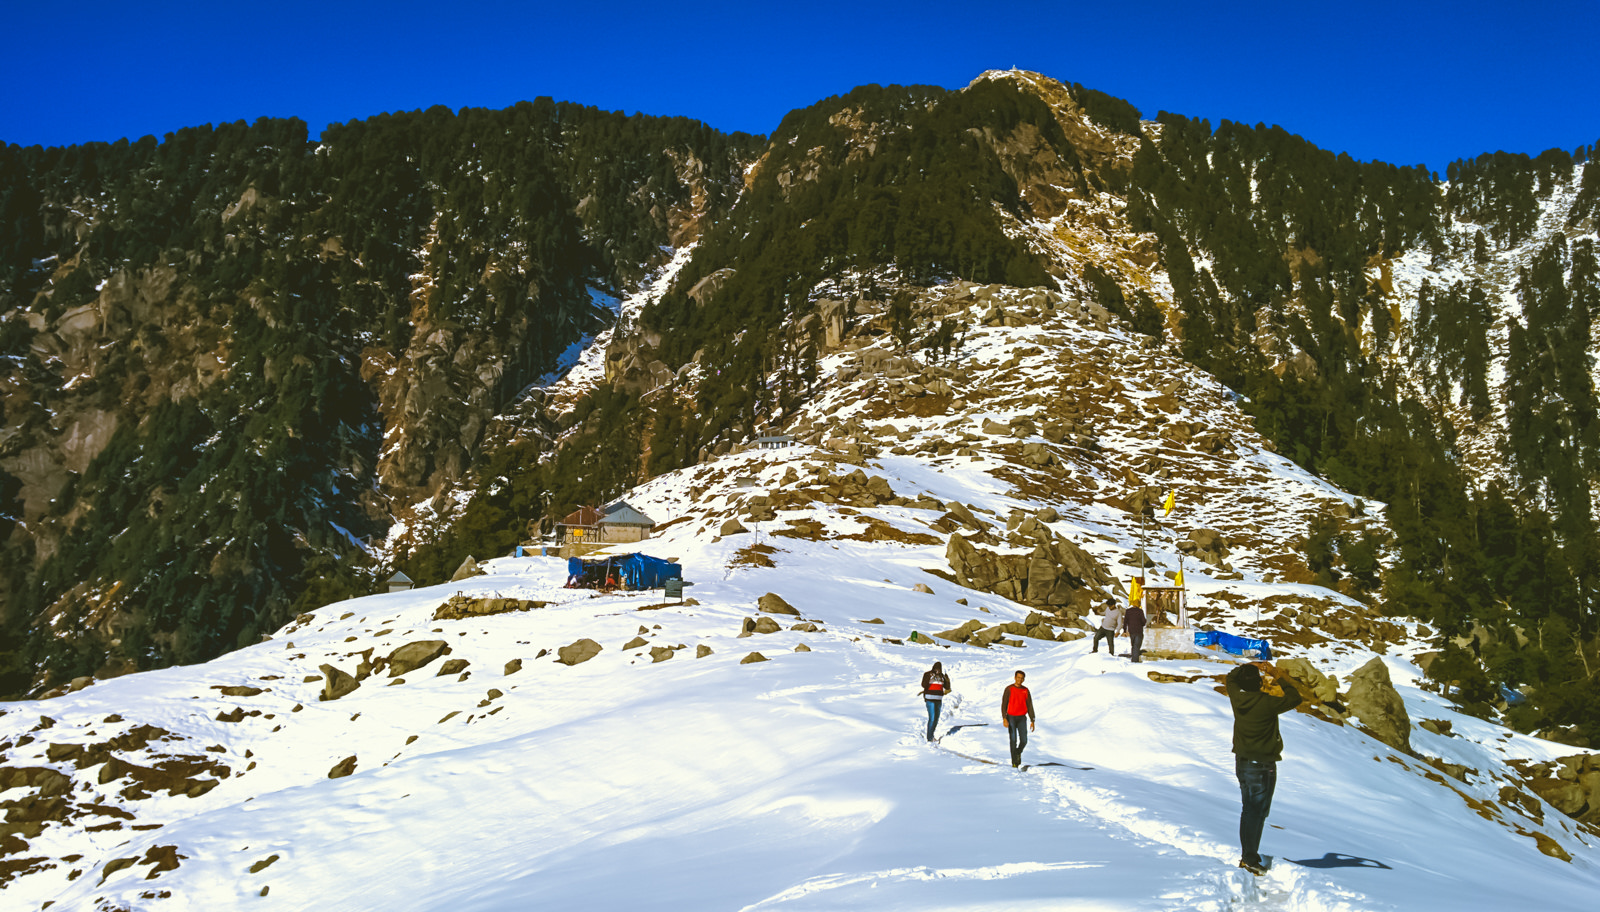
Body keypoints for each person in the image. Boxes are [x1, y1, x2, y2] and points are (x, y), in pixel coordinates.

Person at [1226, 660, 1302, 875]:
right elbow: (1295, 697)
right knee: (1257, 812)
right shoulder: (1267, 703)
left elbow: (1230, 678)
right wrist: (1275, 674)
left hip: (1243, 762)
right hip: (1262, 765)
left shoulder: (1237, 698)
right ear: (1259, 684)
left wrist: (1246, 666)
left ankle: (1248, 855)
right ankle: (1249, 858)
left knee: (1249, 809)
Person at [999, 670, 1035, 767]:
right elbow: (1004, 704)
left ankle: (1017, 753)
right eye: (1018, 677)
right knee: (1013, 739)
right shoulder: (1009, 689)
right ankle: (1014, 762)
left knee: (1024, 740)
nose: (1020, 680)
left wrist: (1032, 720)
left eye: (1022, 678)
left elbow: (1030, 705)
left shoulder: (1025, 690)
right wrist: (1004, 718)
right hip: (1011, 718)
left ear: (1024, 679)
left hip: (1022, 718)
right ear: (1015, 678)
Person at [920, 662, 952, 740]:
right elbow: (923, 685)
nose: (938, 670)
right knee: (932, 718)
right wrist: (930, 676)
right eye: (936, 669)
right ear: (933, 668)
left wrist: (947, 679)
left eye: (939, 669)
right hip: (930, 699)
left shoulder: (942, 676)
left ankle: (932, 735)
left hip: (938, 699)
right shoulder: (928, 674)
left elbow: (947, 687)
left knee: (936, 718)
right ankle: (929, 738)